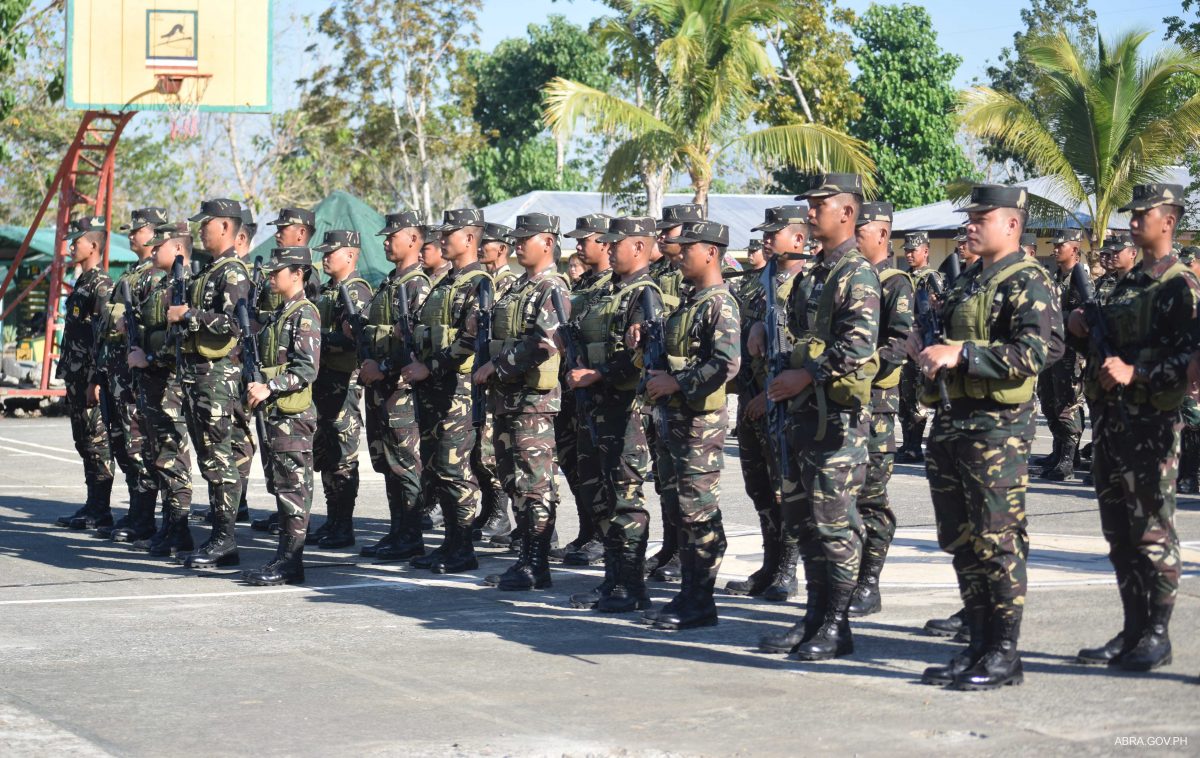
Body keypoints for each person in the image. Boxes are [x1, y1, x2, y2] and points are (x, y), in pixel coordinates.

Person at [916, 184, 1062, 690]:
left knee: (996, 540)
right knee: (960, 539)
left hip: (997, 432)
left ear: (1012, 225)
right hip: (953, 423)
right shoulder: (966, 282)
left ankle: (1004, 652)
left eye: (982, 217)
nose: (971, 225)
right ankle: (978, 644)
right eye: (970, 217)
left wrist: (963, 354)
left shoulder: (1028, 280)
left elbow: (1035, 353)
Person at [1071, 183, 1198, 672]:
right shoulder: (1127, 283)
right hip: (1111, 422)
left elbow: (1190, 362)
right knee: (1119, 532)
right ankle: (1132, 627)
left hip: (1151, 425)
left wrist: (1137, 373)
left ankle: (1157, 635)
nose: (1134, 220)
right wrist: (1082, 329)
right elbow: (1107, 353)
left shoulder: (1178, 284)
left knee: (1152, 532)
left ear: (1168, 221)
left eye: (1144, 214)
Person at [755, 174, 879, 661]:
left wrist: (806, 376)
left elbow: (859, 347)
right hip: (802, 419)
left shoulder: (856, 273)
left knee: (834, 525)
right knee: (803, 521)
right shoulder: (812, 273)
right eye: (809, 204)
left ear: (846, 213)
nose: (810, 212)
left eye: (819, 205)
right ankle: (813, 616)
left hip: (836, 425)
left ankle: (836, 623)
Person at [637, 219, 740, 630]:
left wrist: (676, 381)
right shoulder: (691, 301)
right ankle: (689, 593)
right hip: (676, 424)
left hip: (700, 426)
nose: (679, 253)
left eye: (689, 247)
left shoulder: (720, 303)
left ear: (711, 252)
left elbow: (726, 364)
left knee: (700, 512)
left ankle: (701, 599)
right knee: (683, 508)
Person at [564, 216, 660, 611]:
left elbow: (642, 360)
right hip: (599, 408)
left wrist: (598, 374)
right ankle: (613, 579)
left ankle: (631, 586)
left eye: (615, 242)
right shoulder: (610, 292)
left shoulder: (644, 295)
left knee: (626, 499)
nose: (609, 248)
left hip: (627, 412)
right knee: (602, 494)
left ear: (637, 247)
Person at [475, 213, 569, 590]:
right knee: (514, 480)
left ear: (547, 242)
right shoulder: (517, 288)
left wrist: (497, 366)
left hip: (534, 402)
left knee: (535, 484)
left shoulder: (552, 287)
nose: (517, 244)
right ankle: (525, 557)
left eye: (526, 238)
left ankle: (537, 563)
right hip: (507, 400)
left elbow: (546, 342)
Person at [725, 206, 808, 601]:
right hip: (751, 402)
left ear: (798, 239)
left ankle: (788, 569)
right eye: (766, 233)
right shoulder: (758, 282)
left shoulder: (809, 283)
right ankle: (771, 562)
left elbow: (803, 349)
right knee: (759, 488)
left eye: (775, 233)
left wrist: (766, 394)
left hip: (784, 404)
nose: (767, 240)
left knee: (785, 488)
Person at [402, 209, 489, 574]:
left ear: (469, 239)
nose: (441, 240)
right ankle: (451, 542)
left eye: (449, 233)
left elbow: (470, 339)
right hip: (433, 392)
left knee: (455, 471)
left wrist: (430, 366)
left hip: (458, 392)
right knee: (438, 469)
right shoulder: (444, 283)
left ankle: (463, 547)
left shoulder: (479, 282)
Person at [173, 198, 253, 570]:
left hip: (217, 377)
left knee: (219, 455)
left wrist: (190, 314)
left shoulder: (232, 272)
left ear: (225, 226)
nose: (200, 231)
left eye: (206, 224)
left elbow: (234, 325)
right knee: (211, 453)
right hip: (200, 376)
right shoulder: (211, 270)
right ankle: (221, 538)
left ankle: (225, 539)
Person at [847, 201, 914, 616]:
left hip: (876, 407)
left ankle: (869, 582)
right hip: (842, 405)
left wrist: (855, 367)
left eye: (862, 228)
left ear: (882, 234)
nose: (854, 234)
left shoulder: (894, 283)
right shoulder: (850, 277)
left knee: (871, 497)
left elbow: (899, 344)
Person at [242, 246, 322, 585]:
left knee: (293, 488)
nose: (272, 277)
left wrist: (269, 386)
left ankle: (292, 562)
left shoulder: (305, 313)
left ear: (298, 274)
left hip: (293, 415)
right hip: (276, 415)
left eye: (279, 272)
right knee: (282, 486)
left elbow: (307, 369)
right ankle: (284, 557)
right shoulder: (282, 314)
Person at [94, 207, 168, 541]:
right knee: (124, 443)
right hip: (118, 373)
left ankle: (144, 517)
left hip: (138, 375)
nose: (131, 234)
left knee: (141, 445)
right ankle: (137, 513)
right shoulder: (131, 274)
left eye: (137, 229)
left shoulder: (156, 275)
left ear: (153, 232)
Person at [644, 203, 706, 583]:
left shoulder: (706, 277)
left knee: (692, 487)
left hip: (690, 394)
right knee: (664, 478)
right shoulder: (659, 273)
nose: (666, 237)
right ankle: (671, 545)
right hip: (660, 390)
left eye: (673, 230)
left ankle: (689, 557)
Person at [127, 221, 196, 557]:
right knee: (160, 458)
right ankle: (169, 525)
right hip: (153, 381)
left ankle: (180, 529)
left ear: (178, 249)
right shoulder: (161, 286)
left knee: (173, 456)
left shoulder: (184, 287)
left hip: (170, 382)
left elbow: (179, 343)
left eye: (161, 245)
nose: (153, 250)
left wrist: (148, 358)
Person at [553, 213, 614, 565]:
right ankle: (589, 530)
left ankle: (605, 537)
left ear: (604, 242)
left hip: (598, 391)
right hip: (572, 392)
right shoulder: (584, 286)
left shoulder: (611, 288)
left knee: (600, 469)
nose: (578, 246)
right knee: (577, 466)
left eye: (585, 239)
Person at [308, 230, 373, 549]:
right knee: (328, 454)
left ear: (350, 255)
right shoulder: (330, 290)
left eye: (331, 252)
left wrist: (317, 338)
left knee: (343, 455)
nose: (325, 256)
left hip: (343, 383)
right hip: (325, 383)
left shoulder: (356, 291)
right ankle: (333, 520)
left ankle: (343, 525)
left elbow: (354, 338)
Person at [54, 216, 116, 530]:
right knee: (83, 441)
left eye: (76, 241)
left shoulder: (102, 285)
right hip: (76, 374)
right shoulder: (82, 281)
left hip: (90, 377)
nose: (71, 246)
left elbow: (105, 337)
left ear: (92, 245)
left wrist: (97, 378)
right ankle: (92, 504)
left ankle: (101, 510)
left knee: (96, 441)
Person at [471, 222, 519, 543]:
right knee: (480, 450)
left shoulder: (509, 284)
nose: (479, 247)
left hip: (501, 378)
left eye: (485, 243)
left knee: (493, 451)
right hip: (484, 375)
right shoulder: (485, 282)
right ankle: (490, 510)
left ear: (501, 248)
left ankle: (502, 515)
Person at [1036, 229, 1087, 482]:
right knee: (1048, 401)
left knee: (1068, 403)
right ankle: (1059, 452)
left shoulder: (1081, 277)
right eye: (1054, 245)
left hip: (1071, 351)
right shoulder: (1055, 277)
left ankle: (1068, 457)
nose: (1055, 249)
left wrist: (1056, 317)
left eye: (1061, 245)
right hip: (1051, 348)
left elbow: (1082, 313)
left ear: (1075, 249)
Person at [896, 231, 942, 464]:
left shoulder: (931, 278)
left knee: (916, 397)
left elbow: (934, 312)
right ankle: (908, 443)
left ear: (925, 251)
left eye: (913, 250)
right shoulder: (906, 277)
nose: (908, 254)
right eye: (906, 250)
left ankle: (915, 445)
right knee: (904, 397)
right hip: (904, 345)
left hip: (920, 346)